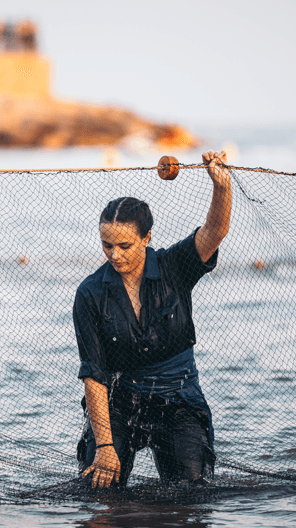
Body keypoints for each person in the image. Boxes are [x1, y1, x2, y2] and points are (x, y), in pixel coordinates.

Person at [74, 151, 232, 489]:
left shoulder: (175, 267)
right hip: (121, 399)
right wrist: (104, 447)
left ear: (146, 238)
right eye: (106, 245)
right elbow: (94, 375)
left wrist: (221, 188)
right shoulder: (89, 293)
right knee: (99, 490)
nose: (115, 255)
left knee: (191, 491)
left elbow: (215, 231)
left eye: (124, 245)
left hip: (179, 399)